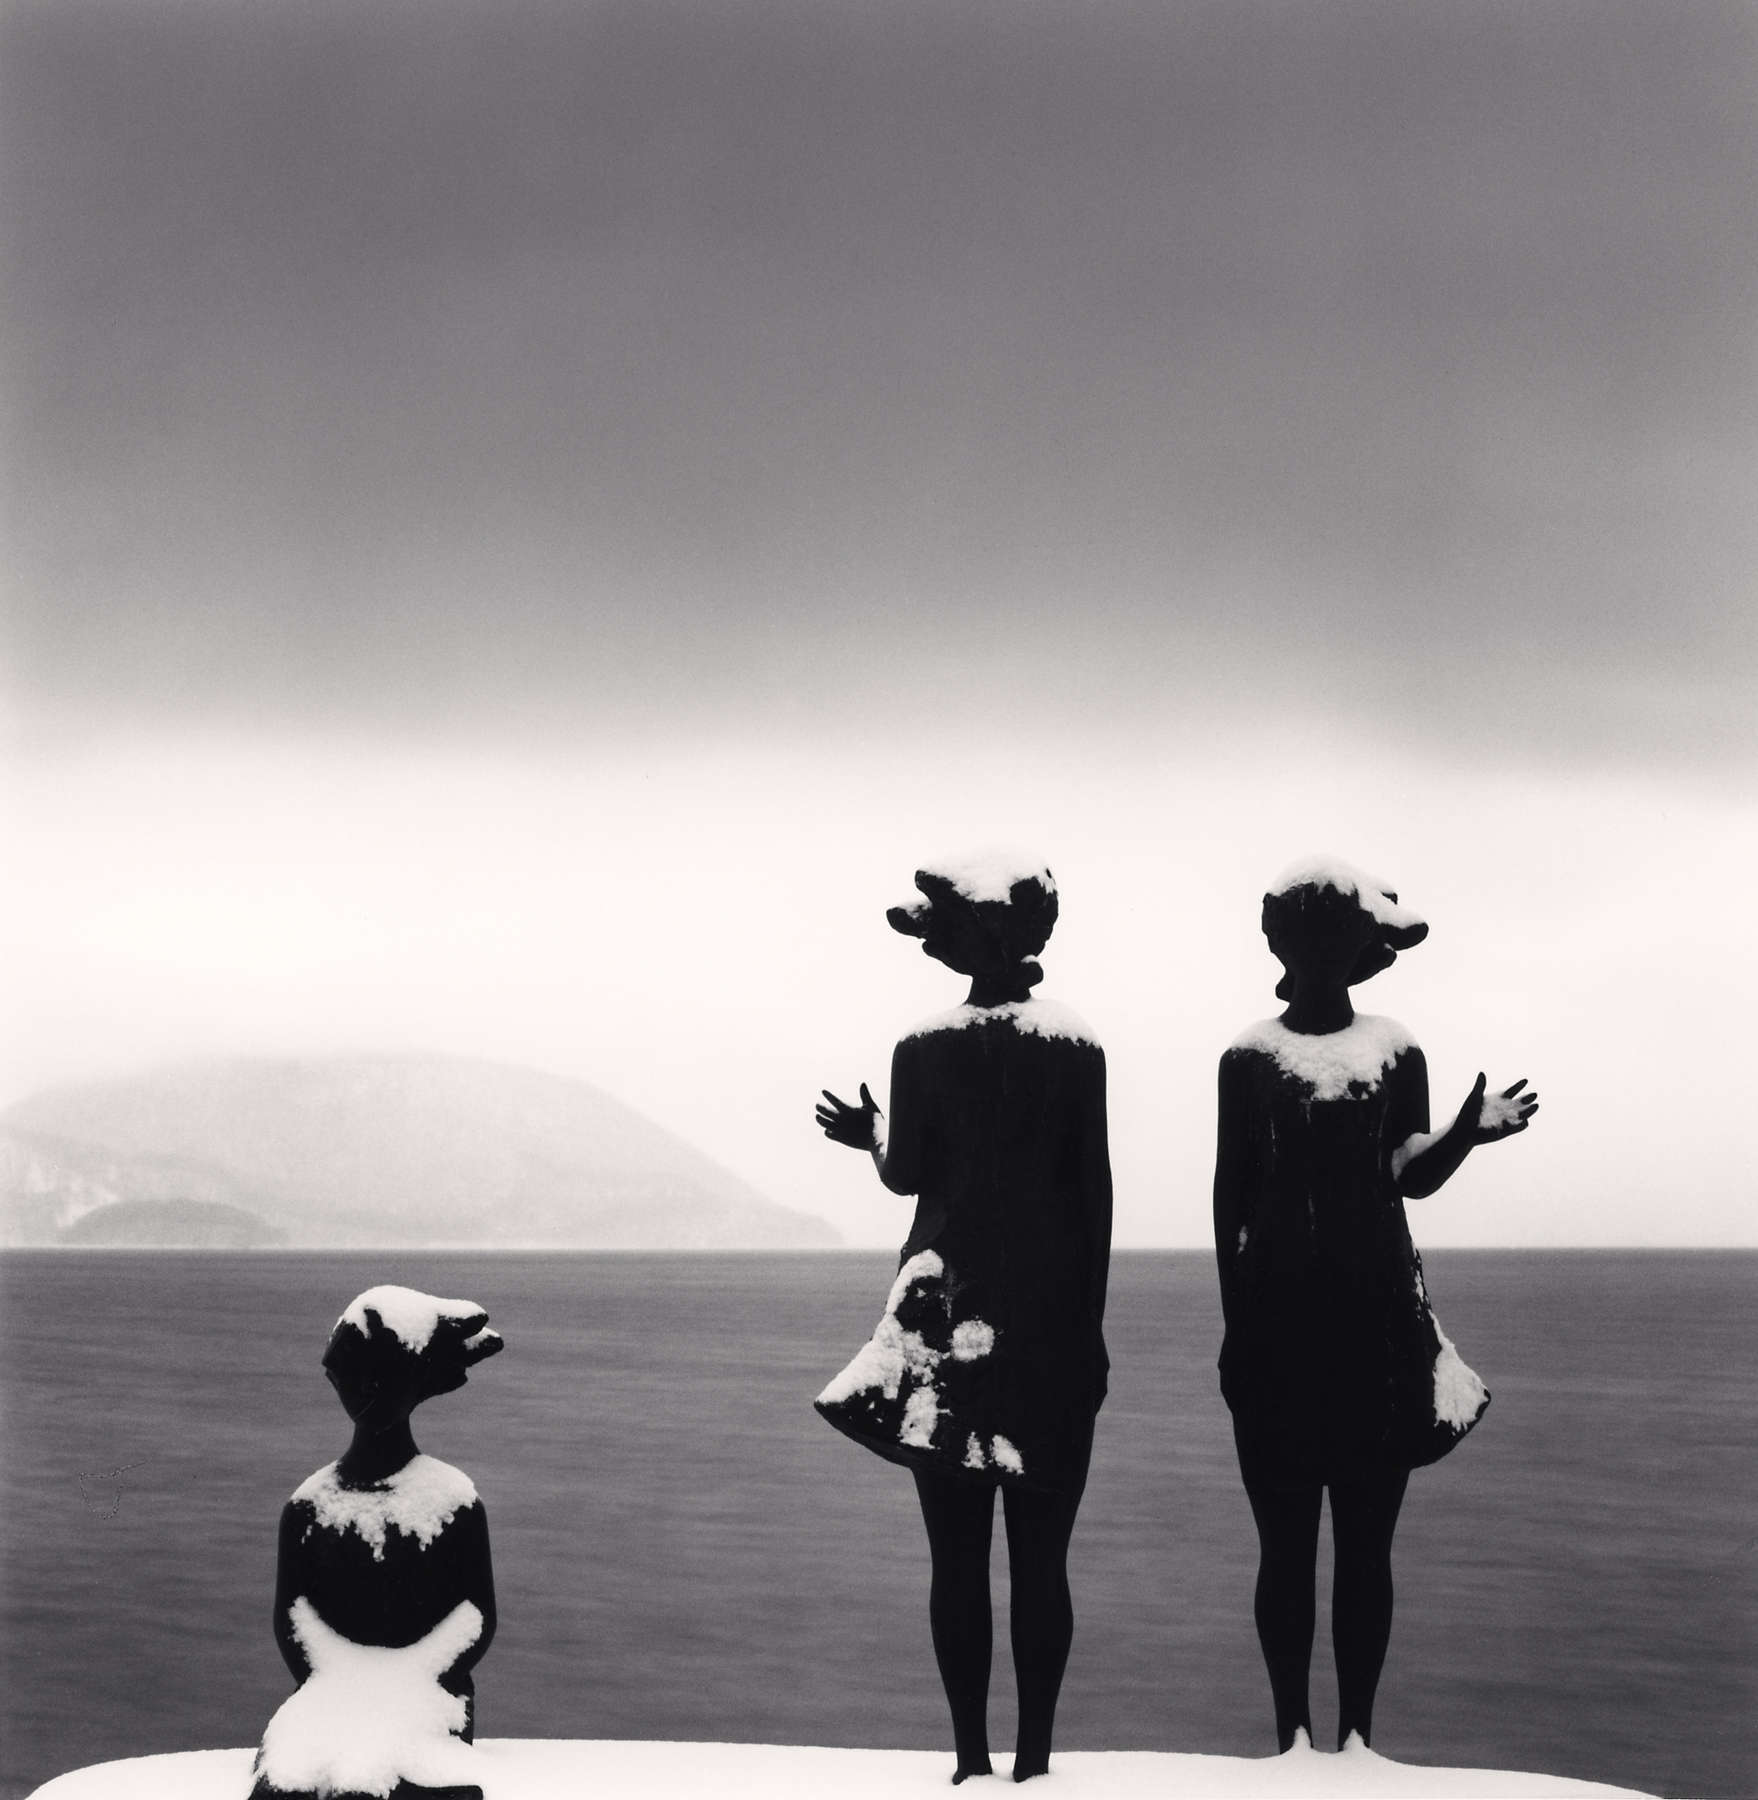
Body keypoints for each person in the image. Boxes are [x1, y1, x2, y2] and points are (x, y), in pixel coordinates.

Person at [1213, 858, 1538, 1756]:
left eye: (1340, 944)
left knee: (1363, 1546)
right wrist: (1237, 1329)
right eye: (1309, 943)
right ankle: (1293, 1738)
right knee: (1285, 1551)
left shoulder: (1397, 1052)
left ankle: (1356, 1739)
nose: (1325, 960)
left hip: (1376, 1335)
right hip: (1277, 1337)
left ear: (1360, 953)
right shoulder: (1247, 1059)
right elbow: (1229, 1199)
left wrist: (1467, 1134)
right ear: (1286, 947)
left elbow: (1408, 1175)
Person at [815, 854, 1112, 1784]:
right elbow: (1093, 1197)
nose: (926, 938)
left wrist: (868, 1140)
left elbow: (909, 1177)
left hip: (941, 1325)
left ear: (974, 935)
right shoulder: (1075, 1047)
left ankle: (969, 1762)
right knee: (1041, 1559)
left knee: (955, 1558)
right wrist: (1089, 1330)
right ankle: (1035, 1761)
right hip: (1051, 1328)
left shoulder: (923, 1049)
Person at [248, 1285, 504, 1800]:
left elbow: (475, 1615)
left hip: (426, 1692)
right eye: (355, 1376)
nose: (364, 1391)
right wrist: (329, 1679)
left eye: (380, 1377)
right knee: (287, 1789)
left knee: (386, 1787)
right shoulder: (309, 1506)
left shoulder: (453, 1502)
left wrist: (420, 1675)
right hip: (330, 1693)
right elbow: (293, 1615)